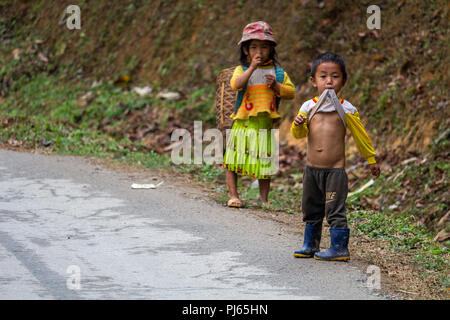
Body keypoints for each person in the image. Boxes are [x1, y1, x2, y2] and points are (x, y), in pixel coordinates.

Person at [291, 52, 380, 261]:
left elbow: (361, 136)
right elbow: (300, 135)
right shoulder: (308, 107)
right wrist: (297, 125)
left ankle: (339, 248)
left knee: (334, 209)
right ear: (313, 81)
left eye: (335, 76)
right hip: (311, 170)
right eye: (323, 76)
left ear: (344, 81)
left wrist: (371, 159)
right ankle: (310, 244)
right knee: (311, 207)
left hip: (335, 172)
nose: (329, 81)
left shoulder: (347, 109)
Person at [222, 21, 295, 208]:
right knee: (233, 160)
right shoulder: (242, 70)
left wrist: (276, 86)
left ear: (271, 49)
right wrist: (252, 68)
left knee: (265, 164)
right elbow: (236, 85)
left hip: (265, 125)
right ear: (246, 50)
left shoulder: (277, 73)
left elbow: (290, 92)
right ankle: (233, 195)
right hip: (244, 122)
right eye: (254, 47)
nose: (259, 52)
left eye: (264, 47)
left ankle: (264, 199)